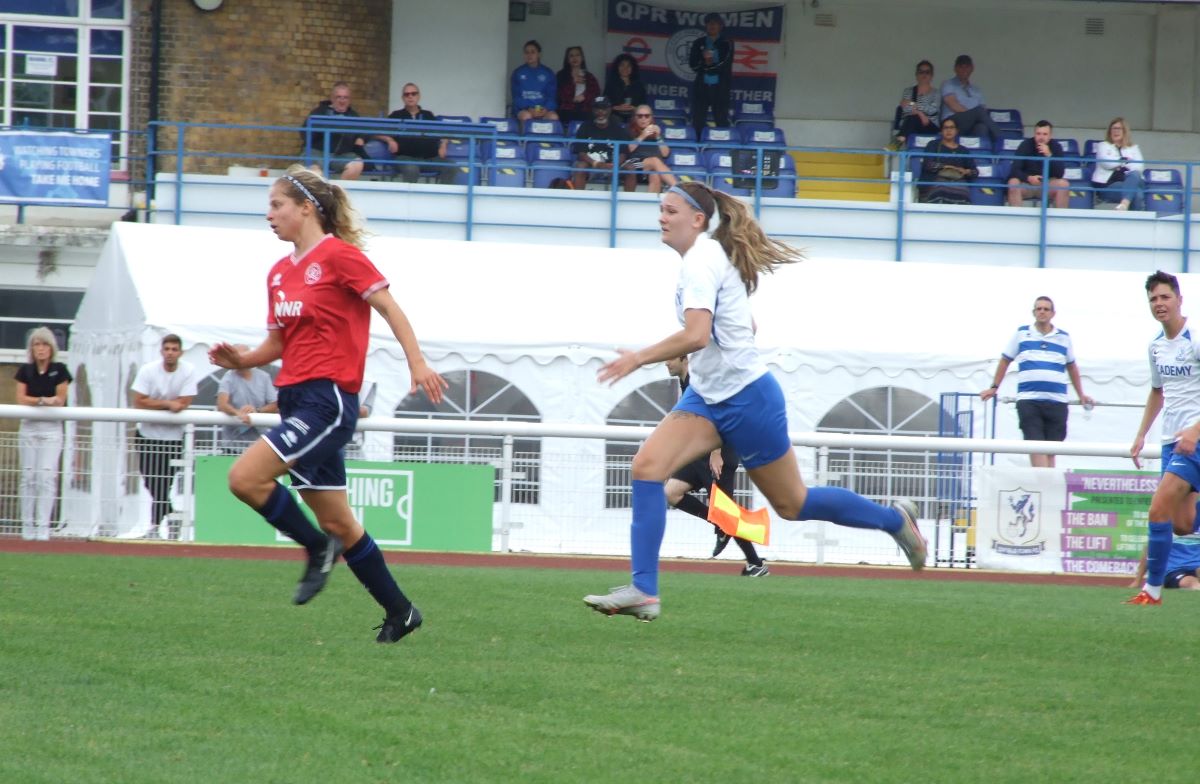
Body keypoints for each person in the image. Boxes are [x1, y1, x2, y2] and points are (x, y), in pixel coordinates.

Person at [583, 181, 927, 622]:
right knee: (647, 468)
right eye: (661, 210)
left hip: (748, 400)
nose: (661, 218)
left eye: (669, 211)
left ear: (698, 220)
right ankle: (644, 591)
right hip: (708, 397)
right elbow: (743, 325)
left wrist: (638, 358)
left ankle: (893, 520)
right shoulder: (707, 259)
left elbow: (696, 335)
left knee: (793, 505)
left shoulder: (702, 260)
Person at [207, 165, 448, 642]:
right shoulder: (278, 273)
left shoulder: (341, 257)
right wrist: (242, 359)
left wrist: (417, 363)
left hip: (329, 400)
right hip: (296, 400)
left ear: (306, 208)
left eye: (277, 204)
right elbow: (276, 346)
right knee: (341, 520)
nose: (269, 215)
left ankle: (317, 548)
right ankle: (401, 611)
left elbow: (390, 308)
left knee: (244, 478)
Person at [1126, 271, 1200, 605]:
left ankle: (1151, 592)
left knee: (1157, 510)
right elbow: (1157, 391)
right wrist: (1141, 434)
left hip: (1195, 439)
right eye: (1153, 299)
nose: (1159, 304)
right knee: (1182, 524)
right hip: (1173, 442)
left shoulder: (1195, 338)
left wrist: (1195, 429)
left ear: (1179, 299)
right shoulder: (1155, 347)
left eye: (1165, 297)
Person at [664, 355, 768, 576]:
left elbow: (718, 414)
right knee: (671, 492)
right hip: (699, 455)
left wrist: (716, 451)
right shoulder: (684, 382)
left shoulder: (699, 381)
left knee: (727, 514)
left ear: (684, 359)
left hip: (718, 454)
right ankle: (720, 525)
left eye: (669, 358)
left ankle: (756, 564)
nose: (666, 363)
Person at [980, 297, 1093, 468]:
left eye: (1046, 309)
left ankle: (1047, 488)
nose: (1042, 311)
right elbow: (1005, 360)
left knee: (1052, 449)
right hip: (1029, 399)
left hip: (1057, 401)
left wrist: (1081, 395)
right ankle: (1042, 486)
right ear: (1033, 312)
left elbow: (1072, 367)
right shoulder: (1022, 334)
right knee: (1035, 445)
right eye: (1039, 308)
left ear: (1053, 313)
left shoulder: (1063, 337)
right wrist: (994, 387)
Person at [131, 333, 199, 540]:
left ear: (181, 352)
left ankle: (154, 526)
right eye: (167, 349)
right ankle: (171, 513)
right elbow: (139, 400)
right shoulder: (148, 370)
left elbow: (185, 401)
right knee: (150, 481)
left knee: (164, 481)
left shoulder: (188, 371)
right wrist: (167, 404)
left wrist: (159, 403)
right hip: (147, 434)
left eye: (174, 349)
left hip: (174, 437)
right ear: (161, 351)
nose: (170, 353)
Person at [14, 327, 71, 541]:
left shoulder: (60, 370)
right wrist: (41, 401)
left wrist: (45, 401)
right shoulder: (25, 371)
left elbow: (60, 398)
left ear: (51, 347)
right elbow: (21, 398)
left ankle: (43, 527)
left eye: (44, 344)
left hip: (51, 428)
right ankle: (27, 526)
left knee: (46, 476)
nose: (40, 349)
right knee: (28, 475)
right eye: (36, 344)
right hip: (29, 427)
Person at [383, 83, 456, 185]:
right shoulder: (396, 115)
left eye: (413, 93)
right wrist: (389, 140)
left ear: (419, 96)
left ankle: (442, 198)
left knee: (451, 166)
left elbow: (442, 132)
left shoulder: (428, 115)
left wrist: (443, 144)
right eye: (407, 94)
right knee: (411, 169)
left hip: (430, 158)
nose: (410, 96)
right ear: (402, 98)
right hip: (406, 158)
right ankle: (410, 200)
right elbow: (377, 131)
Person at [215, 347, 278, 455]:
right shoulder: (228, 377)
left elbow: (275, 405)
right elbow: (222, 404)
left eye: (243, 357)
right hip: (232, 443)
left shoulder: (264, 377)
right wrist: (238, 413)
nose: (240, 360)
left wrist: (256, 411)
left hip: (260, 442)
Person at [301, 82, 365, 181]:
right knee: (314, 172)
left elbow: (363, 131)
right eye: (338, 97)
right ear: (332, 98)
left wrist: (361, 138)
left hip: (341, 155)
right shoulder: (319, 112)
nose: (342, 101)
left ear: (349, 100)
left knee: (357, 164)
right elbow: (305, 133)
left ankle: (339, 194)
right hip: (318, 153)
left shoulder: (354, 115)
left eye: (345, 97)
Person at [689, 12, 734, 139]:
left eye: (715, 23)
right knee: (698, 120)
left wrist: (708, 65)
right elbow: (693, 65)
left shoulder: (727, 43)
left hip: (720, 88)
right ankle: (697, 147)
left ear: (721, 26)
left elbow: (725, 64)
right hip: (702, 87)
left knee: (721, 119)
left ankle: (722, 149)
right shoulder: (699, 43)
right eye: (709, 23)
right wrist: (704, 61)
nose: (712, 25)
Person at [1006, 120, 1070, 209]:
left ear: (1050, 136)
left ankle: (1060, 221)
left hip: (1047, 184)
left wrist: (1049, 155)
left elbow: (1060, 173)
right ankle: (1016, 220)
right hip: (1027, 184)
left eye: (1045, 134)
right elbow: (1014, 170)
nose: (1041, 137)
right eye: (1038, 134)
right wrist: (1028, 178)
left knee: (1064, 185)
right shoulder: (1025, 145)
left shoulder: (1056, 146)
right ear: (1034, 134)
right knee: (1013, 182)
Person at [939, 54, 1000, 147]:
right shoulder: (948, 84)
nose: (964, 69)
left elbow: (984, 111)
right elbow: (953, 105)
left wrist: (974, 117)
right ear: (955, 69)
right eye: (961, 66)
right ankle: (1002, 140)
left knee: (982, 127)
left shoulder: (976, 90)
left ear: (972, 68)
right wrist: (974, 115)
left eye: (967, 66)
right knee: (978, 111)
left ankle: (980, 157)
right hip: (952, 122)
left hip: (970, 125)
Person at [570, 96, 626, 190]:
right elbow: (581, 154)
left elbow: (623, 152)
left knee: (627, 168)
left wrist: (614, 165)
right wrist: (596, 164)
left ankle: (621, 202)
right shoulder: (585, 126)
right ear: (592, 110)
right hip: (591, 165)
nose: (600, 112)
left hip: (611, 164)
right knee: (580, 166)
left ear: (609, 110)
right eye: (597, 108)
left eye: (604, 108)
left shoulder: (617, 128)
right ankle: (578, 201)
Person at [918, 118, 977, 205]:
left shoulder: (963, 150)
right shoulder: (933, 145)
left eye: (952, 127)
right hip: (936, 181)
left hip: (958, 181)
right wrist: (947, 167)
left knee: (963, 192)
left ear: (956, 131)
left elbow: (975, 172)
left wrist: (966, 171)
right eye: (946, 128)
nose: (949, 130)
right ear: (941, 131)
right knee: (941, 189)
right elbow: (928, 164)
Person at [1092, 117, 1146, 212]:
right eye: (1113, 128)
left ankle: (1123, 205)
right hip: (1109, 185)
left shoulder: (1134, 148)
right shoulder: (1103, 146)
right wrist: (1125, 161)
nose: (1115, 131)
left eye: (1119, 128)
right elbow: (1107, 164)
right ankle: (1134, 222)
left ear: (1125, 131)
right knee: (1137, 193)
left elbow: (1139, 167)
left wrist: (1118, 164)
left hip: (1131, 180)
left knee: (1135, 174)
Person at [622, 105, 676, 194]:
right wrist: (643, 135)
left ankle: (651, 205)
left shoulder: (656, 131)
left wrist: (658, 137)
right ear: (635, 117)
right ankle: (677, 189)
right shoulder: (628, 130)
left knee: (655, 174)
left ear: (651, 118)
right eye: (640, 116)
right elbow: (628, 149)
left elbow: (665, 154)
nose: (643, 119)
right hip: (634, 164)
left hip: (652, 168)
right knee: (654, 161)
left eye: (647, 116)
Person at [893, 60, 940, 147]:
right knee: (913, 118)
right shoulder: (908, 91)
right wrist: (921, 114)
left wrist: (912, 104)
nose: (924, 74)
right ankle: (901, 138)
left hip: (930, 126)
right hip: (912, 125)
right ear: (916, 74)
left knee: (913, 118)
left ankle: (898, 141)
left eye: (927, 72)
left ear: (932, 75)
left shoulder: (936, 93)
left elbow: (932, 110)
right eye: (921, 72)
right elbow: (906, 109)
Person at [511, 39, 559, 123]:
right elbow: (516, 97)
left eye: (532, 52)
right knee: (527, 116)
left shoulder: (548, 73)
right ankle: (524, 136)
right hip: (524, 110)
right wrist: (528, 108)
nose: (529, 55)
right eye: (526, 52)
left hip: (543, 110)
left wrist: (546, 109)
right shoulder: (518, 72)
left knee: (553, 117)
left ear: (539, 54)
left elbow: (552, 96)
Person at [556, 46, 601, 127]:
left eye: (577, 55)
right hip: (566, 111)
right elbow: (558, 95)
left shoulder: (590, 77)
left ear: (582, 58)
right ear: (567, 59)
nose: (574, 58)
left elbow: (596, 95)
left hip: (586, 111)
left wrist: (585, 97)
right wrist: (573, 83)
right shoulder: (561, 75)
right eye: (571, 56)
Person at [604, 53, 646, 124]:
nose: (625, 68)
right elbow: (604, 103)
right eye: (622, 65)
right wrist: (616, 107)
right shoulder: (611, 84)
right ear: (617, 67)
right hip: (615, 115)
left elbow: (644, 105)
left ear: (633, 68)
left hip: (633, 115)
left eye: (628, 66)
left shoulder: (639, 85)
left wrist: (635, 108)